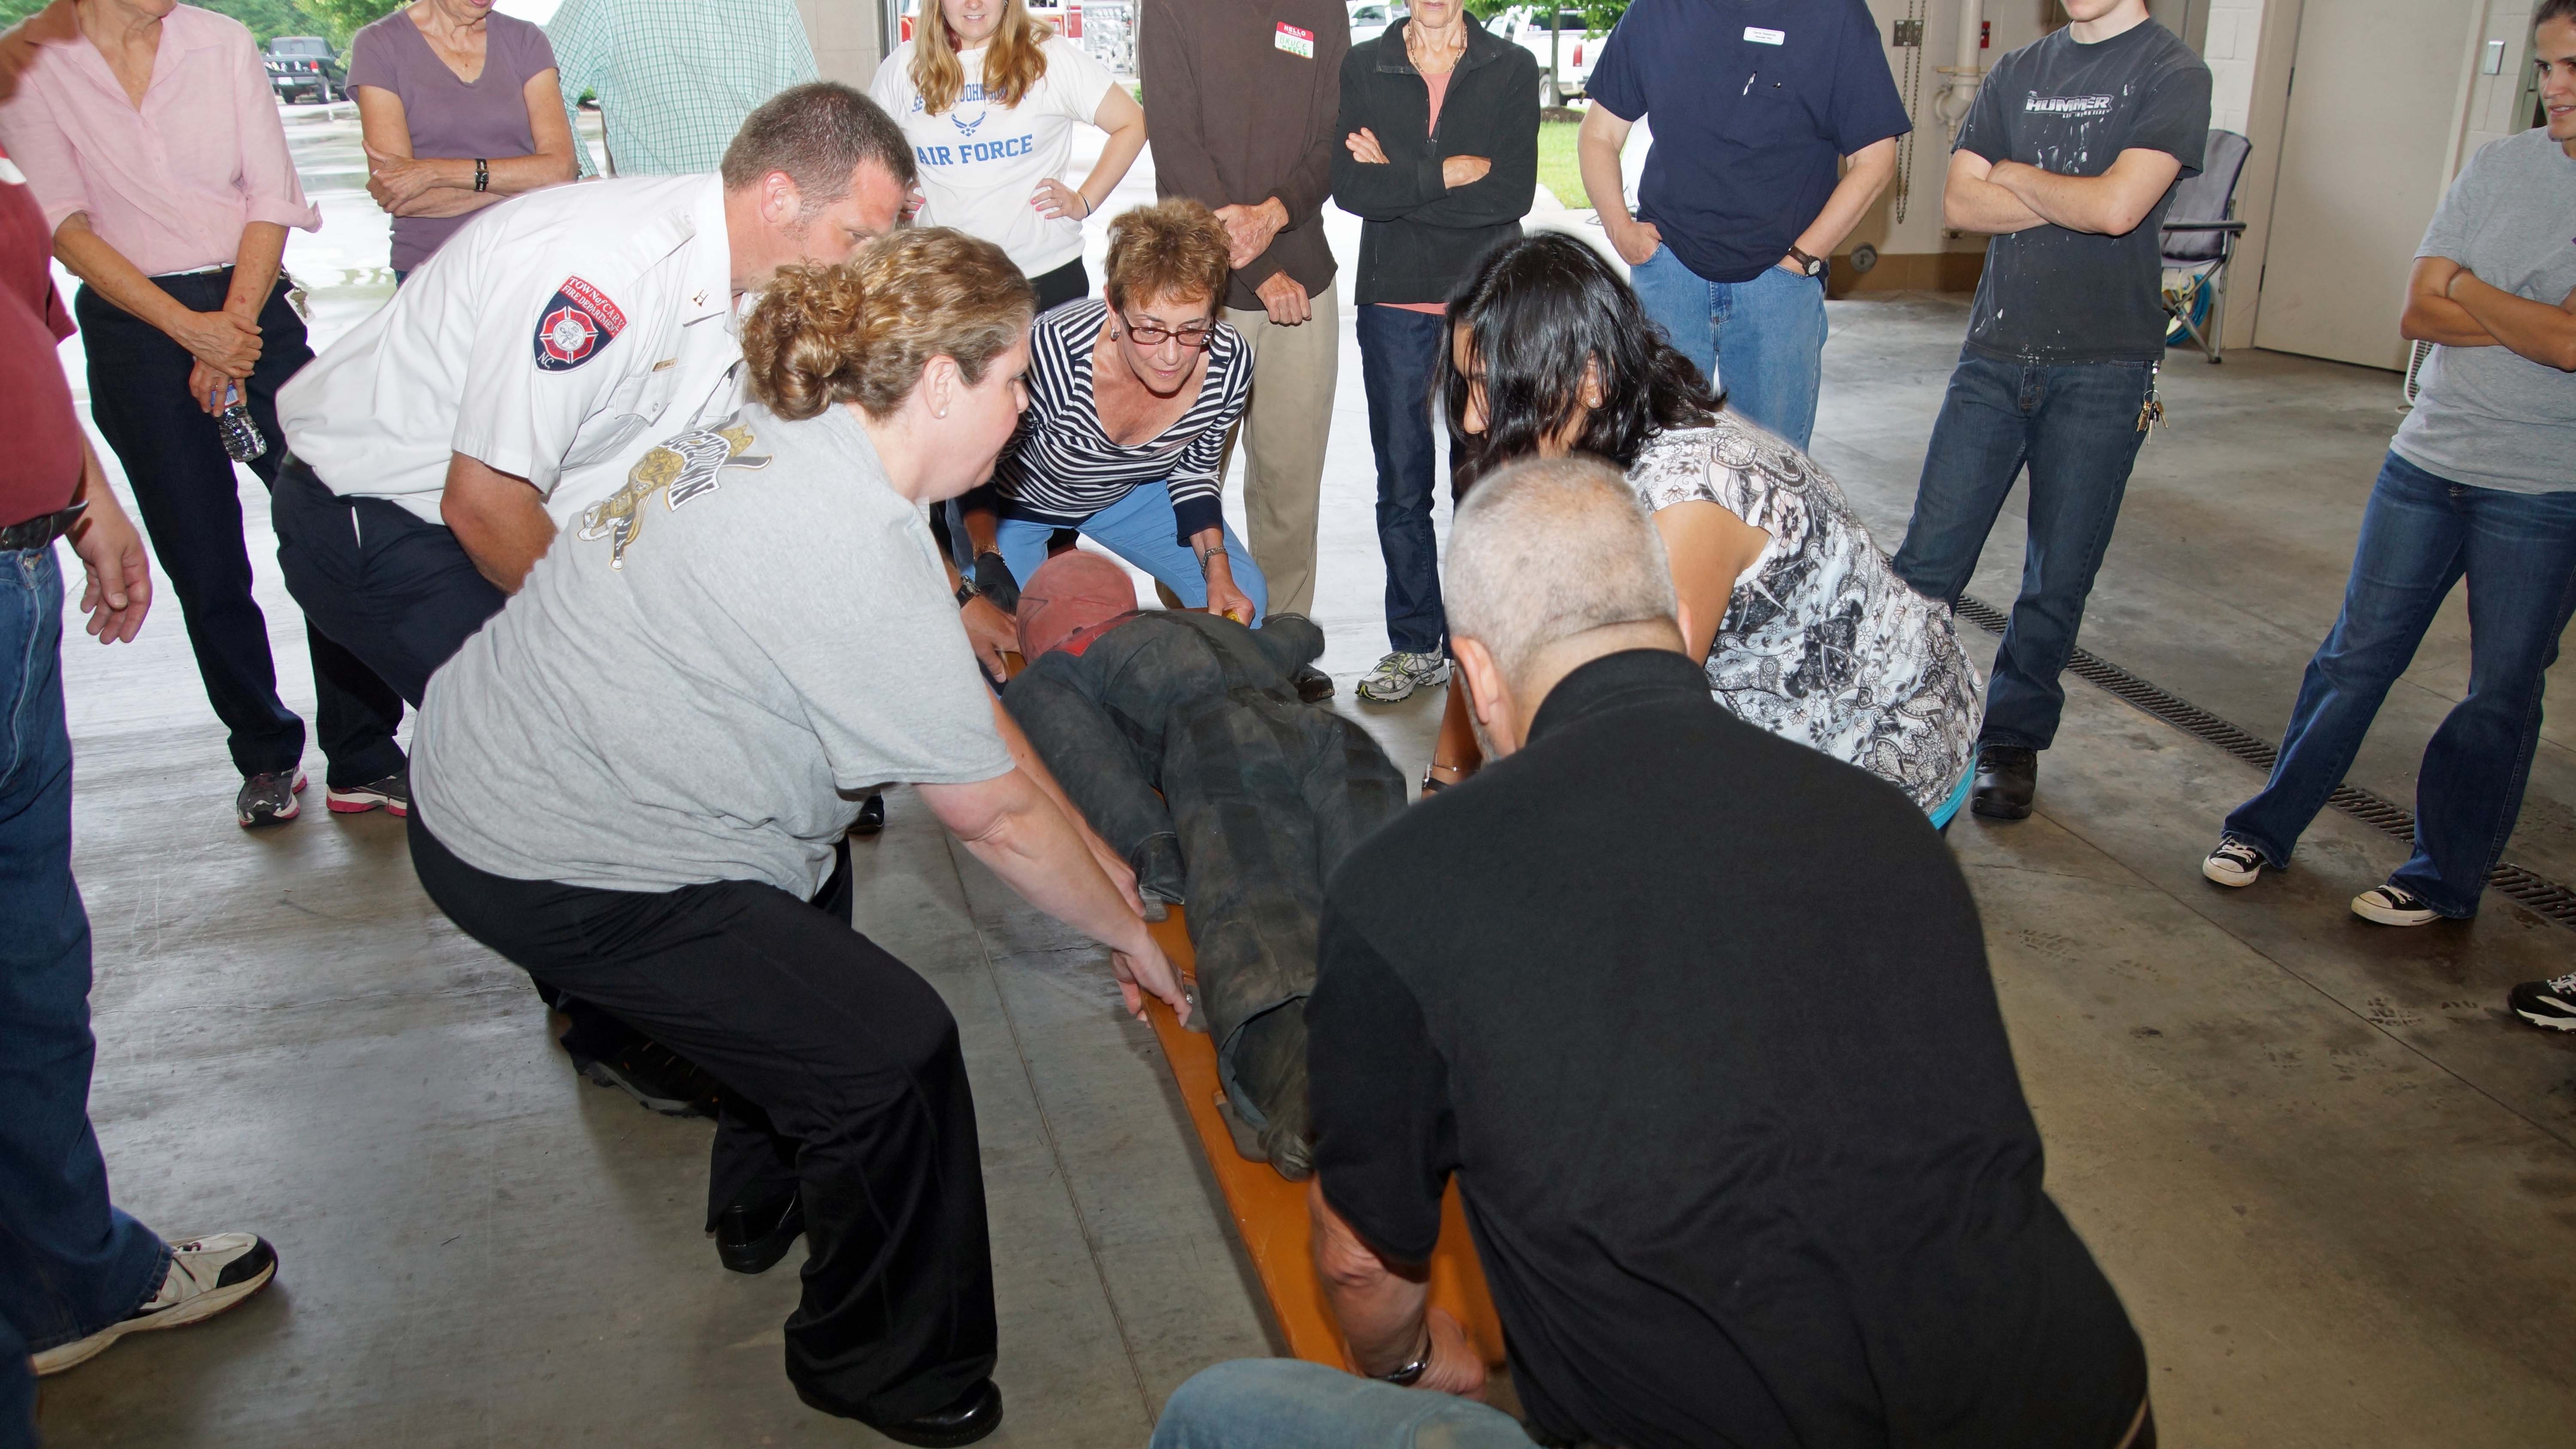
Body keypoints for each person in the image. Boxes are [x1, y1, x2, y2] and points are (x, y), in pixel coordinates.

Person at [1152, 456, 2153, 1449]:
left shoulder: (1405, 890)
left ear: (1479, 670)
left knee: (1217, 1413)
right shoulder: (1882, 823)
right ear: (1678, 619)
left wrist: (1413, 1361)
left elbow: (1363, 1263)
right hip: (2089, 1404)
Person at [406, 231, 1185, 1446]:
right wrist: (1129, 936)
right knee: (893, 1058)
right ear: (937, 383)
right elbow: (987, 814)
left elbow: (959, 708)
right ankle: (879, 1366)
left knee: (811, 905)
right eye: (1015, 383)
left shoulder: (810, 428)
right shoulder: (850, 539)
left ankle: (760, 1205)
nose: (1029, 409)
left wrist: (1091, 841)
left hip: (518, 765)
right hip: (549, 845)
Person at [275, 82, 933, 1116]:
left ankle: (646, 995)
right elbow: (485, 502)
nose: (866, 262)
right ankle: (612, 1019)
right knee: (564, 750)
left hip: (505, 514)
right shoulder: (608, 273)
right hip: (388, 521)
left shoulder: (758, 288)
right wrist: (633, 653)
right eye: (858, 234)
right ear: (776, 197)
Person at [0, 11, 276, 1442]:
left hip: (27, 552)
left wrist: (84, 486)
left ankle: (67, 1280)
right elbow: (69, 248)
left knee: (38, 963)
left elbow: (16, 310)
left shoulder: (210, 45)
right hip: (26, 532)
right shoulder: (38, 68)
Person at [2206, 1, 2576, 940]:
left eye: (2573, 66)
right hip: (2426, 459)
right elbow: (2418, 309)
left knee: (2499, 694)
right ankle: (2266, 827)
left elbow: (2570, 346)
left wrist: (2472, 289)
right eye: (2547, 67)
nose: (2556, 86)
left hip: (2544, 488)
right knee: (2353, 657)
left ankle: (2443, 876)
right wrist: (2515, 310)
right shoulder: (2502, 164)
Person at [0, 0, 409, 828]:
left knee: (338, 523)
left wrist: (232, 328)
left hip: (251, 307)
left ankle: (364, 755)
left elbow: (269, 193)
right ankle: (264, 753)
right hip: (135, 326)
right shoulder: (27, 60)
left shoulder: (219, 41)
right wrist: (189, 331)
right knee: (205, 558)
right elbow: (62, 225)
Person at [1428, 233, 1982, 823]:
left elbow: (1626, 728)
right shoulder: (1565, 446)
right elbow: (1493, 636)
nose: (1470, 417)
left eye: (1496, 387)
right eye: (1470, 384)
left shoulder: (1687, 498)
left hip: (1879, 743)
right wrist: (1446, 784)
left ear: (1590, 378)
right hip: (1761, 732)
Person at [1889, 0, 2211, 823]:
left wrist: (2016, 177)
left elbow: (2117, 211)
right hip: (1994, 358)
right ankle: (1884, 715)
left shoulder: (2173, 73)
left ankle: (2011, 738)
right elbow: (1960, 208)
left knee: (2056, 577)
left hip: (2106, 369)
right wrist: (2068, 192)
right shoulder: (2019, 72)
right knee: (1928, 562)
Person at [1003, 551, 1406, 1179]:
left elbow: (1081, 756)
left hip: (1220, 736)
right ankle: (1422, 1038)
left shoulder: (1059, 668)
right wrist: (1278, 631)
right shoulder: (1210, 627)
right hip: (1326, 733)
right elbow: (1299, 635)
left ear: (1046, 620)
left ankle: (1293, 1066)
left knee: (1257, 879)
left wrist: (1151, 846)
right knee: (1382, 877)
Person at [1576, 0, 1905, 449]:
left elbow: (1876, 159)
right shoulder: (1657, 11)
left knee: (1773, 476)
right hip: (1669, 274)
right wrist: (1621, 231)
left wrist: (1802, 259)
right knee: (1658, 462)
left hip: (1778, 289)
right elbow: (1599, 133)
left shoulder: (1835, 15)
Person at [1331, 0, 1536, 704]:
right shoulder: (1366, 65)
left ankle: (1483, 643)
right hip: (1393, 306)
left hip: (1486, 303)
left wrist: (1403, 176)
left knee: (1485, 481)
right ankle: (1415, 644)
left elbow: (1510, 193)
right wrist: (1446, 173)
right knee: (1401, 484)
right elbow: (1353, 189)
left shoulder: (1511, 67)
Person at [957, 200, 1269, 624]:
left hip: (1128, 493)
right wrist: (988, 555)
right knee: (1006, 634)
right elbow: (975, 463)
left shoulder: (1230, 364)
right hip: (1019, 504)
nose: (1172, 355)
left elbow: (1195, 473)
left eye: (1194, 328)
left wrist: (1217, 568)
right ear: (1112, 307)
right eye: (1151, 329)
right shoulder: (1050, 354)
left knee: (1243, 601)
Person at [1143, 0, 1346, 647]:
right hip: (1197, 296)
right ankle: (1193, 642)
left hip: (1304, 283)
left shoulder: (1322, 7)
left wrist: (1278, 213)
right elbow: (1176, 151)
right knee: (1183, 482)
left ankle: (1282, 642)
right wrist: (1257, 268)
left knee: (1290, 485)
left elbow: (1333, 136)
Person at [870, 0, 1146, 313]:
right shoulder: (904, 67)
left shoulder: (1048, 57)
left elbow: (1132, 123)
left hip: (1043, 278)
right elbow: (866, 155)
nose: (973, 3)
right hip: (942, 283)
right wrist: (894, 193)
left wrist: (1085, 201)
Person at [349, 0, 579, 283]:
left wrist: (434, 173)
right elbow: (400, 195)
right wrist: (531, 182)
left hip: (531, 260)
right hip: (433, 269)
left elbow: (561, 169)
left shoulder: (526, 40)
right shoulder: (379, 44)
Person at [547, 0, 817, 177]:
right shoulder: (605, 5)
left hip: (774, 225)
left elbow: (813, 113)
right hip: (671, 232)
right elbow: (543, 94)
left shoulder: (775, 5)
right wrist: (585, 182)